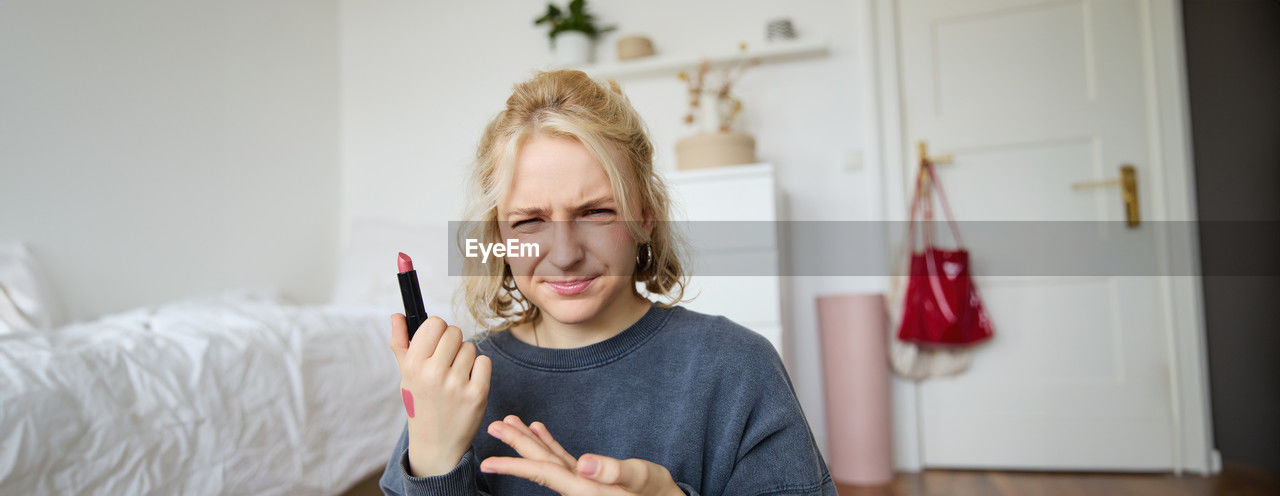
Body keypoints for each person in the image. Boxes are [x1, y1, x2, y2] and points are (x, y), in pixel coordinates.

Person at [379, 69, 837, 496]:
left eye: (597, 212)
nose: (564, 254)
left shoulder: (736, 367)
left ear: (646, 217)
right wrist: (434, 458)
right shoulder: (456, 382)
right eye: (529, 220)